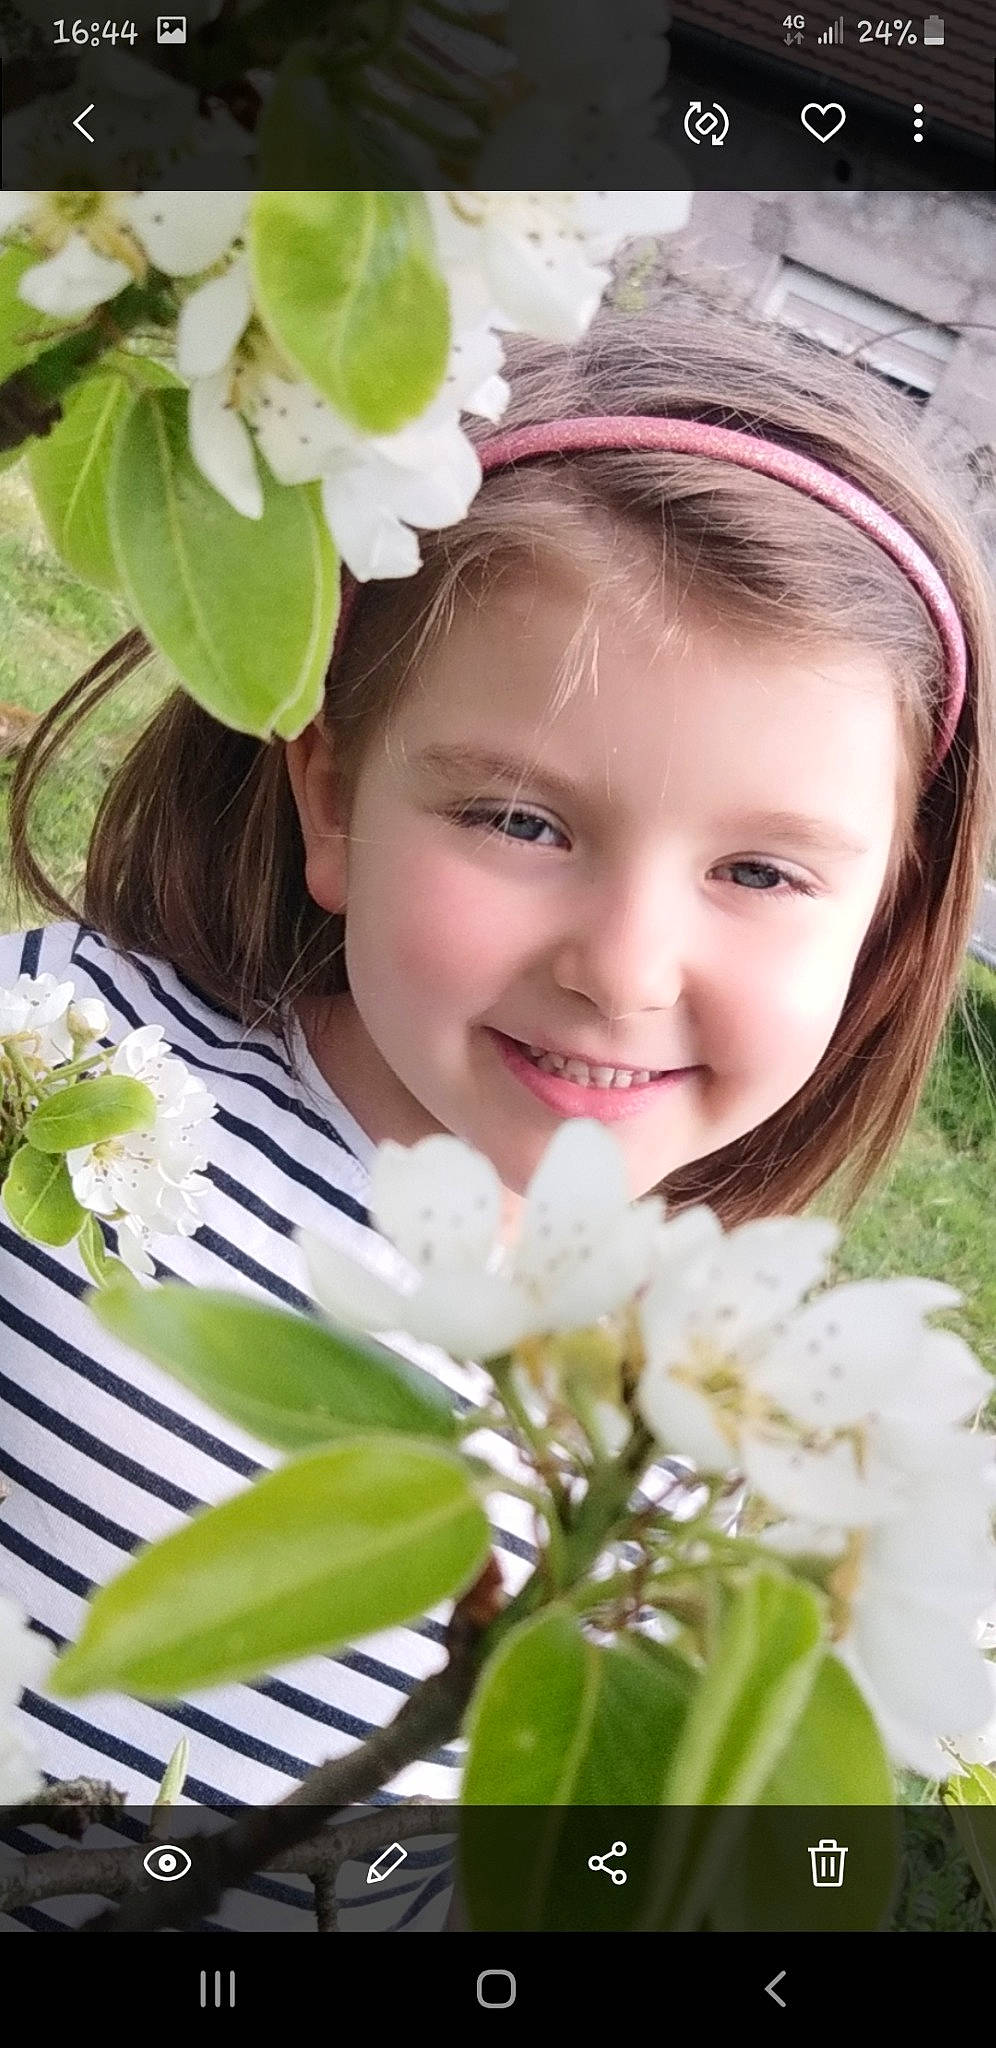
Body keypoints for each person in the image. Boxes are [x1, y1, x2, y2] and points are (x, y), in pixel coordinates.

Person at [1, 292, 994, 1928]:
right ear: (332, 791)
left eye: (760, 871)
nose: (626, 968)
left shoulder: (738, 1458)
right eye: (523, 820)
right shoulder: (66, 1072)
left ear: (881, 926)